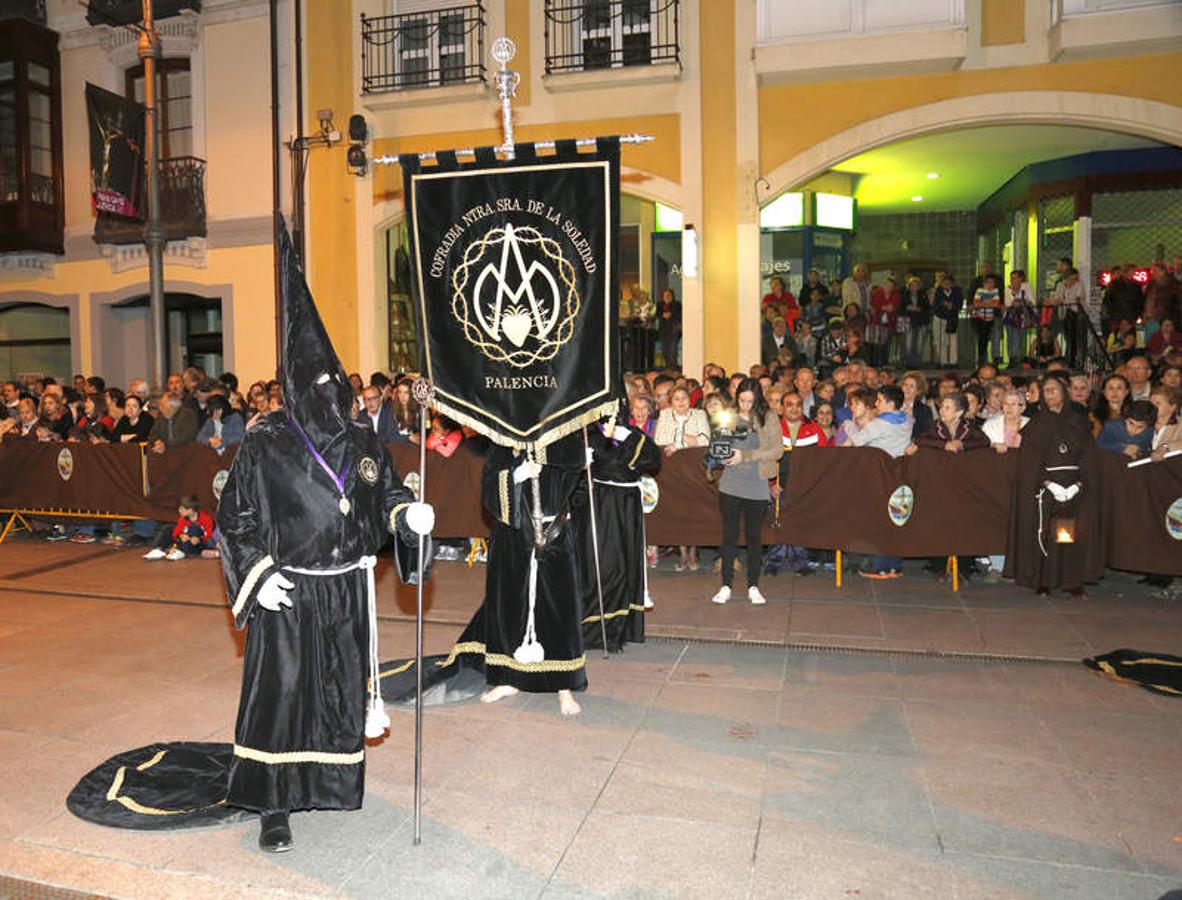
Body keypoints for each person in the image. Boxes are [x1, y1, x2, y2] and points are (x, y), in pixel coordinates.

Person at [215, 233, 433, 853]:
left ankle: (330, 783)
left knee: (338, 687)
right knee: (283, 694)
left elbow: (384, 494)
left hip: (347, 590)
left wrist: (408, 517)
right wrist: (257, 573)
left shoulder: (364, 442)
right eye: (316, 382)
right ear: (293, 384)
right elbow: (236, 517)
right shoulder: (263, 442)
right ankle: (273, 805)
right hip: (290, 592)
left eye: (335, 380)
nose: (330, 392)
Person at [1004, 374, 1103, 597]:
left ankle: (1071, 581)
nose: (1049, 394)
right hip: (1047, 489)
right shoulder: (1036, 425)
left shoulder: (1078, 423)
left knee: (1067, 534)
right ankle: (1043, 580)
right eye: (1045, 390)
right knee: (1045, 534)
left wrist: (1078, 484)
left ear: (1064, 392)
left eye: (1053, 389)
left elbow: (1088, 457)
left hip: (1074, 489)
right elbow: (1029, 463)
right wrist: (1048, 484)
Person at [579, 412, 661, 651]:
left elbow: (652, 460)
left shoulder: (630, 433)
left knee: (627, 564)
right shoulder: (589, 436)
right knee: (607, 565)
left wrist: (626, 436)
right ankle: (600, 630)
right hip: (603, 508)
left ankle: (622, 628)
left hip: (628, 509)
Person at [710, 378, 783, 606]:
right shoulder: (728, 416)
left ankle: (753, 585)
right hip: (730, 484)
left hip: (757, 483)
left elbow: (777, 450)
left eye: (750, 401)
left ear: (758, 399)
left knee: (754, 537)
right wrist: (721, 453)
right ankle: (726, 585)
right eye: (742, 400)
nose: (745, 405)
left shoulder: (768, 418)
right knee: (729, 536)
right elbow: (717, 446)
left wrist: (747, 456)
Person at [143, 495, 216, 561]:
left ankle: (181, 552)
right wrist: (180, 535)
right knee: (168, 529)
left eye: (182, 509)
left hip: (199, 545)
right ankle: (160, 549)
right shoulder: (183, 519)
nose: (179, 511)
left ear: (190, 510)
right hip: (184, 542)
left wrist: (199, 539)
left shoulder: (206, 519)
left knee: (194, 528)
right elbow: (176, 532)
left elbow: (209, 535)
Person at [915, 391, 989, 454]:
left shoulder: (969, 426)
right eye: (941, 406)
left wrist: (962, 444)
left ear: (959, 413)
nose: (942, 410)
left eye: (947, 408)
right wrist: (944, 444)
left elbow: (985, 441)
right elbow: (919, 439)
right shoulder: (934, 426)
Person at [931, 274, 963, 368]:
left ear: (952, 284)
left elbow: (959, 303)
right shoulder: (938, 291)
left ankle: (953, 361)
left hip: (952, 318)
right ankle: (943, 361)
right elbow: (936, 304)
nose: (947, 285)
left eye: (949, 283)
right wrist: (944, 304)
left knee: (953, 340)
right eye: (945, 283)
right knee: (942, 341)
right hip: (940, 317)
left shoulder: (957, 291)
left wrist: (952, 305)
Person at [867, 276, 899, 367]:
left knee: (886, 343)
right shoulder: (877, 293)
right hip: (877, 321)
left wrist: (886, 307)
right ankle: (875, 364)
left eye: (891, 286)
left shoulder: (895, 294)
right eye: (887, 285)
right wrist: (884, 307)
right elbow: (874, 305)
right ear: (884, 285)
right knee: (876, 344)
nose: (889, 287)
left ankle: (884, 363)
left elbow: (894, 305)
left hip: (889, 322)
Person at [970, 273, 1002, 366]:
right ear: (984, 283)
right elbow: (975, 303)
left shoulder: (995, 291)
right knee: (982, 338)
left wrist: (983, 302)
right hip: (979, 317)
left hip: (990, 318)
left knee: (987, 338)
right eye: (989, 282)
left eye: (993, 283)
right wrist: (988, 302)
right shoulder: (979, 291)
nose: (991, 285)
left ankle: (987, 358)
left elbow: (996, 304)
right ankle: (981, 358)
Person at [899, 276, 931, 369]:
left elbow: (927, 308)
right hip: (908, 321)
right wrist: (908, 308)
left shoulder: (923, 295)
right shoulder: (904, 295)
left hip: (921, 322)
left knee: (919, 344)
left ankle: (917, 364)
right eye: (912, 285)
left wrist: (918, 309)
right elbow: (900, 308)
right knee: (908, 344)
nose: (914, 287)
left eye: (916, 285)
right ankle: (908, 363)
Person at [1148, 385, 1182, 458]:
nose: (1152, 407)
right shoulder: (1144, 423)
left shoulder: (1180, 425)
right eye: (1151, 403)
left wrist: (1166, 447)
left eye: (1158, 403)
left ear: (1172, 407)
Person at [656, 287, 682, 368]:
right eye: (665, 296)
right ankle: (667, 366)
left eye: (669, 295)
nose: (667, 297)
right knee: (664, 349)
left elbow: (680, 316)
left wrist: (671, 315)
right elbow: (656, 315)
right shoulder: (659, 305)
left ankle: (673, 366)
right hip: (663, 331)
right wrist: (662, 315)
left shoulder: (677, 305)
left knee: (673, 349)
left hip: (673, 330)